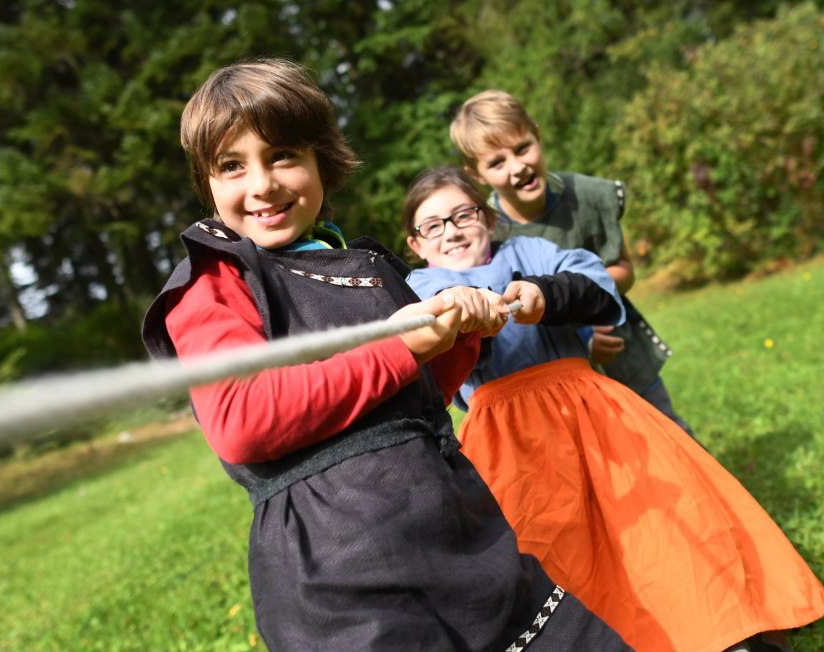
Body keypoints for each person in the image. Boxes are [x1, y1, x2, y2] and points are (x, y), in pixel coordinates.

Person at [141, 59, 630, 651]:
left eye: (283, 156)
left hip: (458, 532)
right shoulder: (212, 284)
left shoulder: (361, 263)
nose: (262, 184)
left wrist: (457, 334)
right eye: (232, 166)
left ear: (322, 157)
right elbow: (240, 423)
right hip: (345, 582)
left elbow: (413, 396)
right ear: (207, 181)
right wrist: (399, 347)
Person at [402, 165, 824, 652]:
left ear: (490, 219)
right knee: (548, 545)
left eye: (464, 214)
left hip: (591, 409)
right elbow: (423, 345)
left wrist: (545, 294)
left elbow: (597, 284)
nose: (451, 231)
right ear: (416, 243)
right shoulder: (417, 286)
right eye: (433, 225)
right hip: (506, 436)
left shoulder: (529, 251)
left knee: (657, 521)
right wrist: (464, 315)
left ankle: (725, 633)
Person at [450, 89, 694, 436]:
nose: (518, 167)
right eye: (497, 163)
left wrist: (582, 306)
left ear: (537, 133)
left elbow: (623, 269)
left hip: (616, 345)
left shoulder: (588, 197)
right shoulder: (483, 230)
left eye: (522, 148)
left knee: (666, 436)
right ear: (476, 174)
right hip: (551, 372)